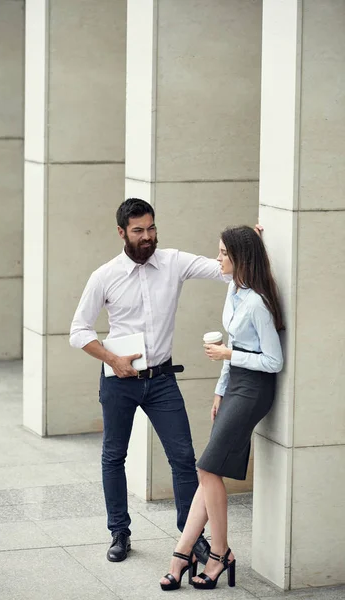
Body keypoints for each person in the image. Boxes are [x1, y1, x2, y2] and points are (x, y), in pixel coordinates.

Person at [69, 198, 234, 565]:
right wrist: (112, 358)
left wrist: (245, 245)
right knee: (114, 457)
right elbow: (78, 331)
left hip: (161, 380)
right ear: (122, 233)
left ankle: (191, 537)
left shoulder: (173, 261)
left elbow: (223, 271)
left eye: (152, 228)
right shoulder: (105, 275)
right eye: (139, 230)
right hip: (118, 381)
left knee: (183, 458)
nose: (147, 237)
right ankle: (119, 533)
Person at [160, 225, 284, 591]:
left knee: (205, 467)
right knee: (208, 470)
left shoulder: (259, 302)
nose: (217, 259)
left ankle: (218, 552)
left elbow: (274, 361)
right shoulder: (234, 289)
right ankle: (184, 552)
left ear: (240, 258)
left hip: (256, 389)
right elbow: (231, 339)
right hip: (235, 386)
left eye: (223, 254)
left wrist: (230, 355)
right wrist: (219, 389)